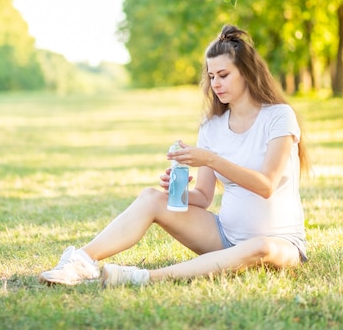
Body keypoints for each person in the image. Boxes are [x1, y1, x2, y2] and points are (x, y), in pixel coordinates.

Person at [39, 24, 309, 287]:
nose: (215, 83)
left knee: (260, 247)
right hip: (224, 237)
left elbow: (266, 185)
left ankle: (142, 277)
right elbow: (203, 198)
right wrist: (176, 192)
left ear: (247, 73)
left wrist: (210, 159)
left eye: (223, 75)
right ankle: (80, 261)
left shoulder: (278, 117)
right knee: (150, 197)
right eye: (211, 76)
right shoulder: (211, 126)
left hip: (280, 243)